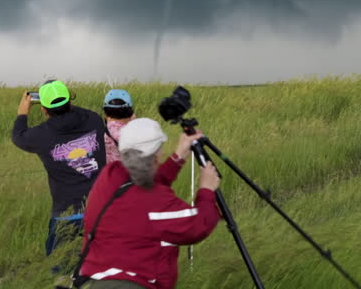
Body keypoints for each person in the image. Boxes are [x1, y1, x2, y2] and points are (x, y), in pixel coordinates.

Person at [76, 118, 220, 288]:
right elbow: (197, 225)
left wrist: (178, 157)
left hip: (95, 281)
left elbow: (141, 182)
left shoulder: (110, 176)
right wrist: (206, 191)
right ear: (156, 155)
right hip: (132, 284)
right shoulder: (155, 201)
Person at [13, 79, 108, 256]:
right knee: (101, 263)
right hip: (101, 208)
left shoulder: (41, 135)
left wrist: (22, 113)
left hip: (66, 212)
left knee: (58, 267)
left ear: (43, 109)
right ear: (70, 102)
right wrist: (67, 108)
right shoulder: (94, 120)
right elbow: (80, 114)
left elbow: (18, 137)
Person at [102, 89, 137, 166]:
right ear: (130, 112)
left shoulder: (99, 132)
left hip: (107, 174)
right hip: (129, 175)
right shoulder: (134, 134)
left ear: (106, 113)